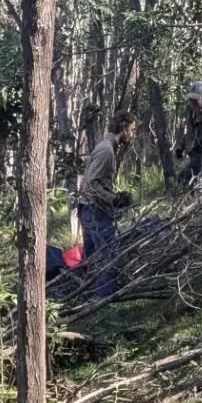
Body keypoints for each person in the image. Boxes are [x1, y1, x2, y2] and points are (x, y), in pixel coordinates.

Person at [78, 110, 138, 302]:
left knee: (91, 255)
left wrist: (114, 195)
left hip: (88, 208)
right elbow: (91, 184)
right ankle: (102, 296)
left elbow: (95, 182)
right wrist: (113, 199)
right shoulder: (106, 150)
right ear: (124, 127)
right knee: (106, 253)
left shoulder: (105, 146)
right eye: (132, 130)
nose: (133, 134)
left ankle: (86, 291)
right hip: (95, 211)